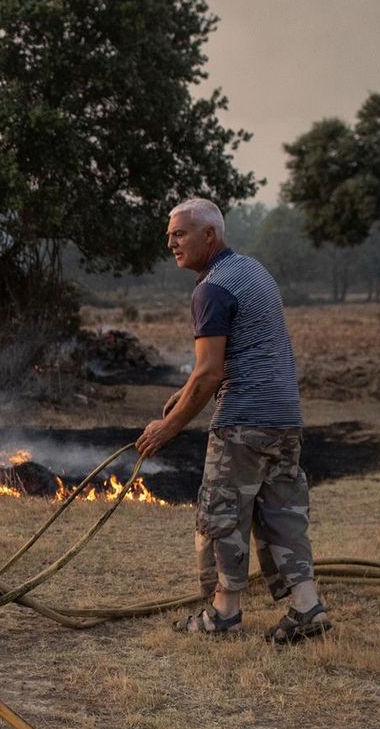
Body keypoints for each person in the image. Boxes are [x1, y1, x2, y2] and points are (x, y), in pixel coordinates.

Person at [135, 198, 332, 643]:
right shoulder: (251, 271)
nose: (171, 243)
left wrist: (168, 428)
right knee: (283, 513)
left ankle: (223, 615)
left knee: (220, 513)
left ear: (210, 235)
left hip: (243, 421)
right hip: (284, 419)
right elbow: (228, 358)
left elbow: (210, 372)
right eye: (169, 235)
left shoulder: (212, 288)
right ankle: (307, 609)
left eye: (180, 234)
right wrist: (182, 396)